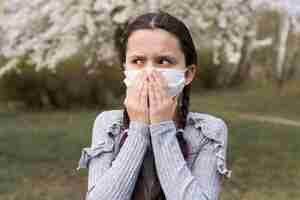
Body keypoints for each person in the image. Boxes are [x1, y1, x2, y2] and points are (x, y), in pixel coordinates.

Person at [77, 11, 231, 200]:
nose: (149, 72)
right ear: (125, 69)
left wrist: (162, 128)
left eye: (163, 61)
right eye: (138, 61)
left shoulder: (208, 132)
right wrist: (138, 130)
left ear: (188, 74)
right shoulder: (109, 125)